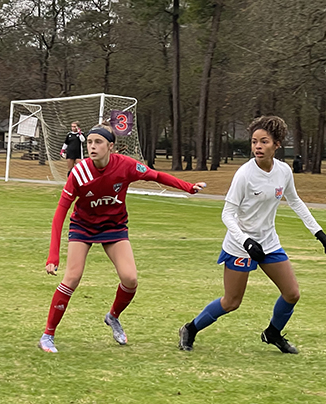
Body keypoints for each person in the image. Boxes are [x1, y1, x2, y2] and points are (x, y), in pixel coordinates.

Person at [38, 122, 206, 353]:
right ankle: (48, 335)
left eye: (98, 142)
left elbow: (156, 176)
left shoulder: (126, 166)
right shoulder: (79, 172)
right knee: (72, 278)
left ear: (111, 146)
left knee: (130, 279)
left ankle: (113, 316)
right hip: (83, 227)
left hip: (114, 227)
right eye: (89, 142)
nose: (92, 147)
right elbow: (60, 213)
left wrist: (188, 187)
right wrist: (53, 256)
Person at [178, 116, 326, 354]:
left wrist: (318, 231)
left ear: (277, 144)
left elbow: (295, 201)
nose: (257, 147)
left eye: (264, 142)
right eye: (254, 142)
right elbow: (227, 214)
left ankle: (272, 333)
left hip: (269, 243)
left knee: (292, 293)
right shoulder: (244, 174)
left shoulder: (283, 171)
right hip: (240, 246)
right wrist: (246, 241)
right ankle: (190, 328)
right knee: (231, 302)